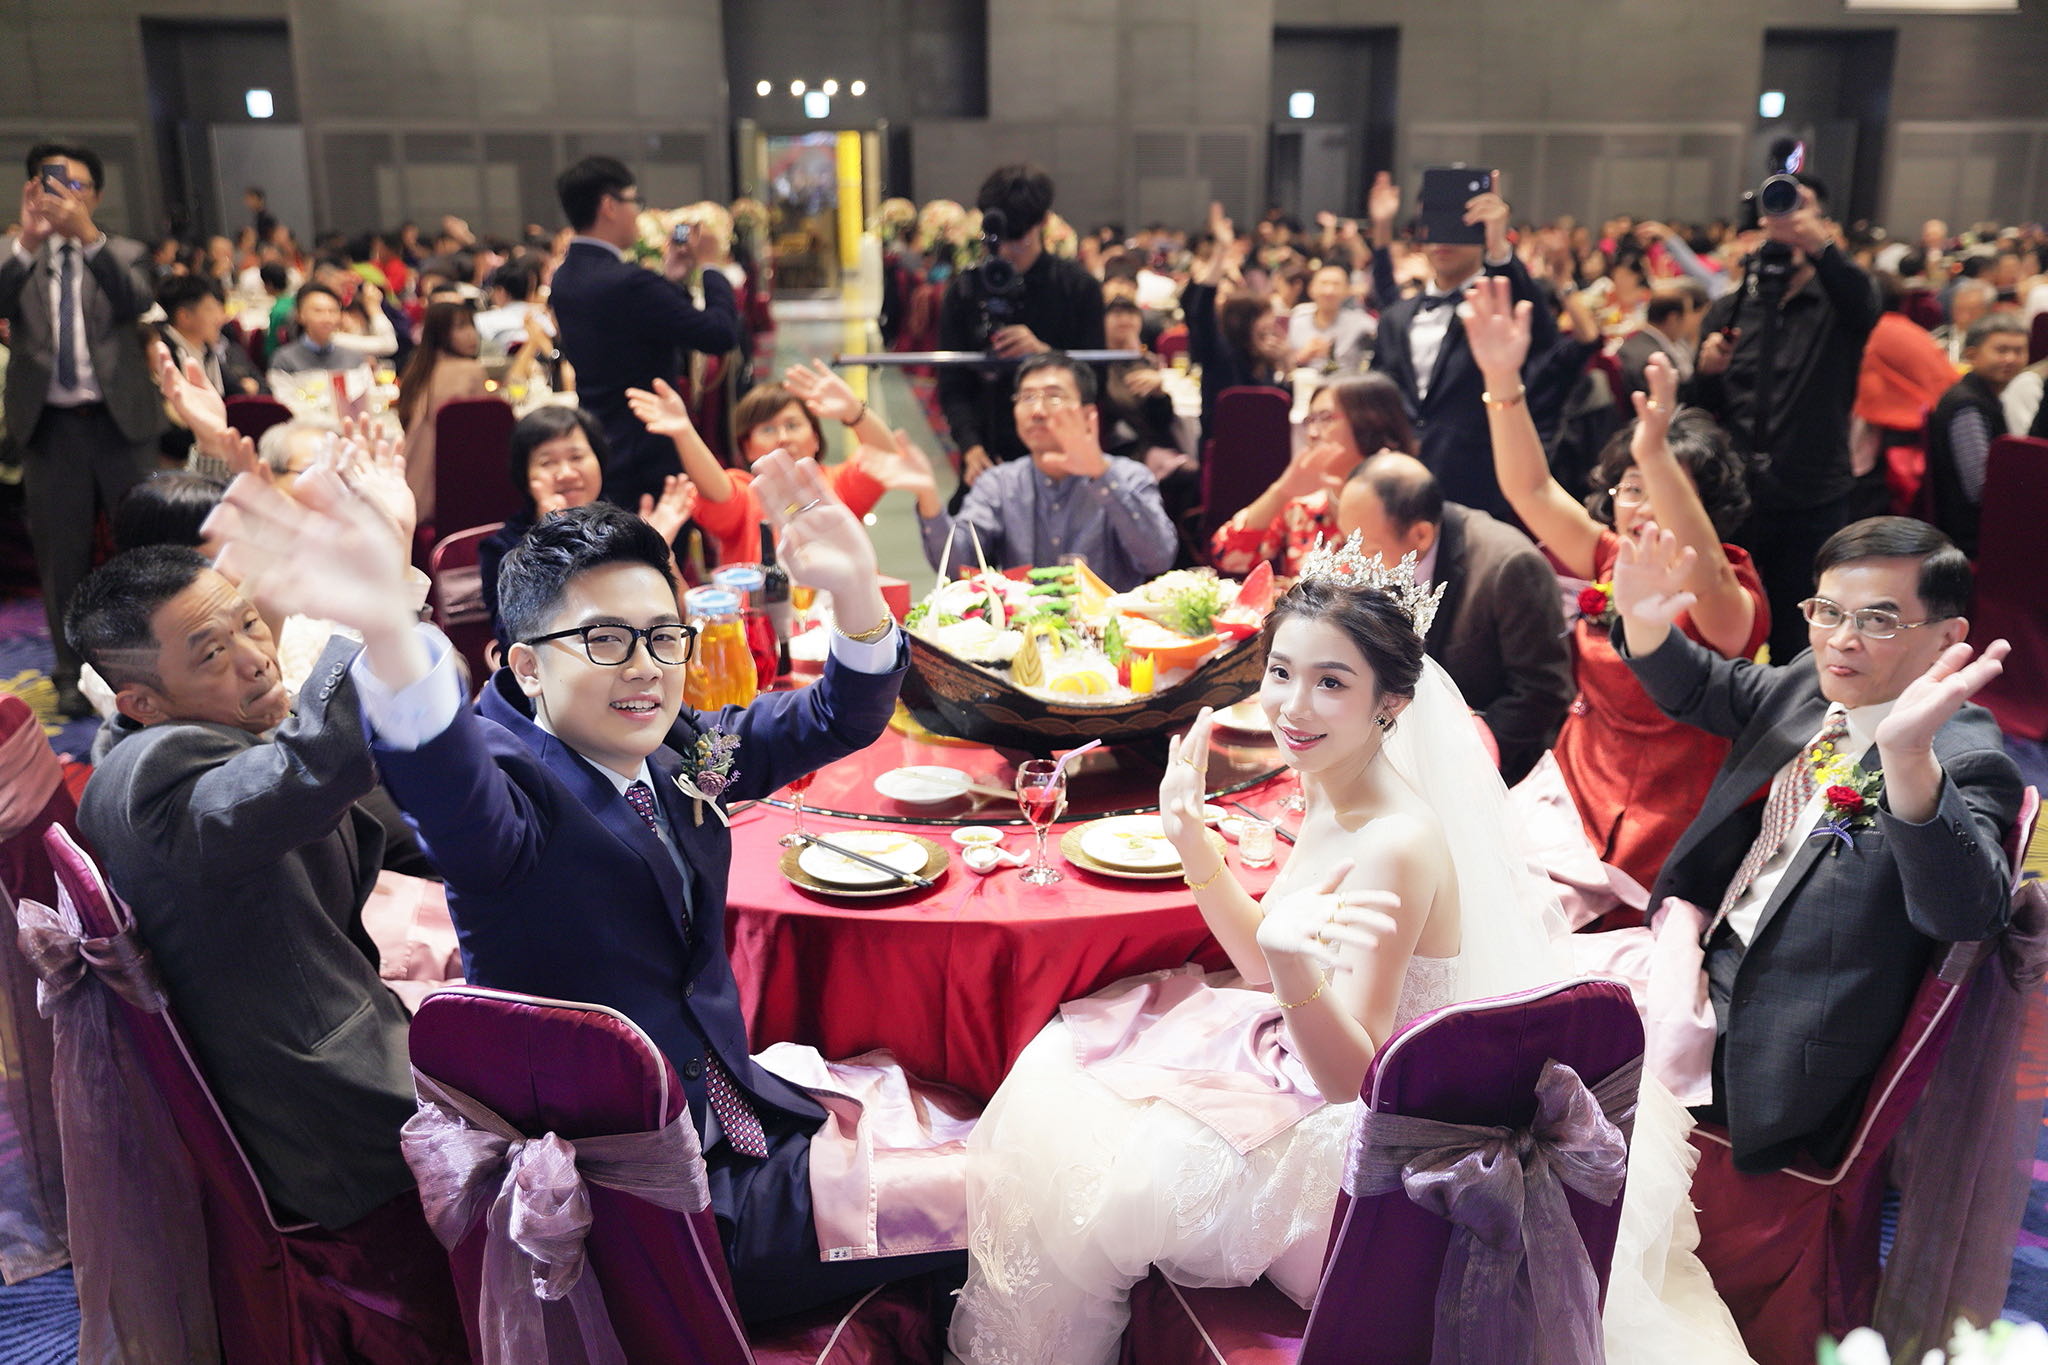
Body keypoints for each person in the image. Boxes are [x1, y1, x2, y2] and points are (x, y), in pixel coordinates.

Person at [950, 537, 1751, 1365]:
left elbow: (1353, 1078)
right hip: (1308, 1068)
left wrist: (1291, 963)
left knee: (1080, 1161)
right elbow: (1262, 958)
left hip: (1369, 1167)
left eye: (1331, 682)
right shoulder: (1339, 783)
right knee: (1057, 1077)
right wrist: (1192, 843)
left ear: (1391, 701)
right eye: (1281, 672)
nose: (1293, 706)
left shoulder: (1396, 841)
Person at [208, 460, 966, 1323]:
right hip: (660, 1206)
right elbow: (452, 790)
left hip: (741, 1121)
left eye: (663, 636)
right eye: (606, 639)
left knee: (993, 1154)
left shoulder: (678, 751)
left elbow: (833, 716)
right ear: (526, 666)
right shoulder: (512, 786)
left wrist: (857, 591)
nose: (645, 669)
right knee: (999, 1199)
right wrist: (390, 631)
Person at [1613, 517, 2021, 1172]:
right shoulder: (1818, 678)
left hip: (1768, 1044)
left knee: (1535, 1051)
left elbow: (1966, 914)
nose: (1842, 639)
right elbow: (1711, 690)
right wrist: (1644, 622)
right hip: (1698, 951)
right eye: (1827, 611)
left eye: (1878, 620)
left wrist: (1907, 758)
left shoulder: (1961, 755)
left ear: (1948, 637)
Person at [1465, 276, 1767, 890]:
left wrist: (1655, 456)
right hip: (1575, 784)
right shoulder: (1609, 556)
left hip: (1672, 809)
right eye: (1631, 490)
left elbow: (1708, 574)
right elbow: (1530, 488)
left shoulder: (1728, 587)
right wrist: (1501, 379)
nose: (1643, 509)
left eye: (1663, 491)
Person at [1, 142, 165, 717]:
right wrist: (27, 241)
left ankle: (153, 665)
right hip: (50, 430)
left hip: (122, 424)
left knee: (141, 551)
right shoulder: (18, 257)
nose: (63, 195)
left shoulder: (125, 252)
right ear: (32, 191)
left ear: (94, 195)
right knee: (60, 557)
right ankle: (71, 674)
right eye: (51, 183)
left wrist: (88, 237)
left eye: (76, 185)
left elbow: (135, 300)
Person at [1683, 178, 1879, 663]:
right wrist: (1706, 372)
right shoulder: (1730, 310)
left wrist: (1815, 241)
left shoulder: (1838, 306)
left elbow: (1864, 301)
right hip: (1737, 495)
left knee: (1802, 631)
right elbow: (1704, 406)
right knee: (1726, 626)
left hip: (1811, 491)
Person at [1334, 452, 1573, 785]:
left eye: (1369, 549)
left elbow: (1543, 692)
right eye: (1350, 541)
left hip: (1489, 764)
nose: (1355, 560)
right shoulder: (1383, 547)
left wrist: (1462, 760)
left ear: (1420, 535)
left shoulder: (1507, 567)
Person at [1367, 171, 1557, 522]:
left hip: (1481, 485)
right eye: (1433, 222)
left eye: (1459, 222)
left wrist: (1499, 247)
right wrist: (1381, 228)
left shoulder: (1498, 307)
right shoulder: (1397, 317)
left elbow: (1544, 336)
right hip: (1401, 489)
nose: (1443, 238)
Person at [549, 156, 739, 506]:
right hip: (647, 450)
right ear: (609, 206)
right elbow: (719, 334)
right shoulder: (630, 282)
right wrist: (711, 266)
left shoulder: (564, 277)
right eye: (634, 201)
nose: (637, 212)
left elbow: (630, 330)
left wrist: (670, 281)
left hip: (601, 439)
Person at [909, 352, 1175, 590]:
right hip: (1026, 627)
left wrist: (1101, 475)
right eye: (1027, 397)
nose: (1037, 411)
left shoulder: (1130, 476)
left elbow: (1158, 558)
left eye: (1053, 397)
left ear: (1088, 414)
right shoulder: (999, 483)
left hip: (1110, 627)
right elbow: (957, 568)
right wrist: (928, 497)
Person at [936, 165, 1106, 507]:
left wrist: (1045, 354)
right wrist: (971, 447)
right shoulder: (965, 290)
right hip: (987, 458)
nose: (1008, 250)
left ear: (1043, 222)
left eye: (1019, 237)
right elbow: (952, 384)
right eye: (1000, 238)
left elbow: (1096, 380)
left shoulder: (1078, 287)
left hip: (1062, 461)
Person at [625, 359, 891, 565]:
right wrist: (684, 432)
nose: (783, 438)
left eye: (793, 425)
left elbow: (885, 457)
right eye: (768, 429)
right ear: (747, 448)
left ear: (816, 439)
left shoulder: (838, 484)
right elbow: (717, 490)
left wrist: (855, 412)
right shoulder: (748, 494)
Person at [476, 405, 696, 648]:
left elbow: (682, 626)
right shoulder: (500, 549)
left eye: (577, 457)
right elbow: (513, 639)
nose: (566, 473)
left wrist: (658, 554)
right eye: (547, 462)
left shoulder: (627, 531)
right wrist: (554, 535)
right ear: (526, 476)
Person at [1208, 373, 1414, 577]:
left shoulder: (1404, 504)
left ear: (1372, 423)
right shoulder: (1306, 505)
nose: (1312, 433)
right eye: (1310, 420)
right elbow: (1227, 556)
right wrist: (1281, 491)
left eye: (1325, 419)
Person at [1924, 311, 2028, 557]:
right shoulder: (1967, 405)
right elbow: (1980, 488)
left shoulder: (1982, 395)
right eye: (2001, 350)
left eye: (2019, 351)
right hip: (1973, 537)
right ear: (1971, 354)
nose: (2011, 359)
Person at [394, 299, 492, 525]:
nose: (471, 334)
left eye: (471, 325)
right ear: (440, 333)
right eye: (460, 327)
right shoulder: (471, 370)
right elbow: (489, 433)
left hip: (412, 489)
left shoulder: (415, 370)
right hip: (457, 492)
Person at [267, 283, 373, 384]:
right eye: (318, 311)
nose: (327, 318)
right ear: (300, 315)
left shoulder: (354, 358)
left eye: (332, 311)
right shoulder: (285, 360)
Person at [1616, 283, 1708, 392]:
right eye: (1688, 314)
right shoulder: (1657, 361)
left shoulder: (1638, 341)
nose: (1690, 320)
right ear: (1673, 319)